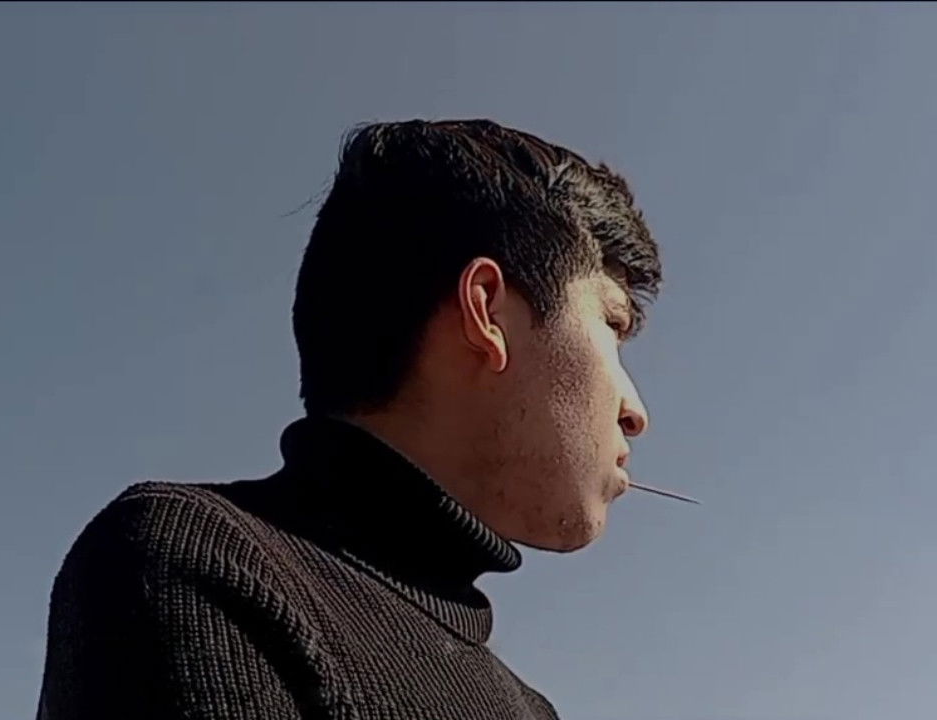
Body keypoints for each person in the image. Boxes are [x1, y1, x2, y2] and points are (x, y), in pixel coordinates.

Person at [35, 119, 663, 719]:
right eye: (612, 326)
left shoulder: (531, 707)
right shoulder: (197, 561)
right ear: (487, 312)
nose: (635, 412)